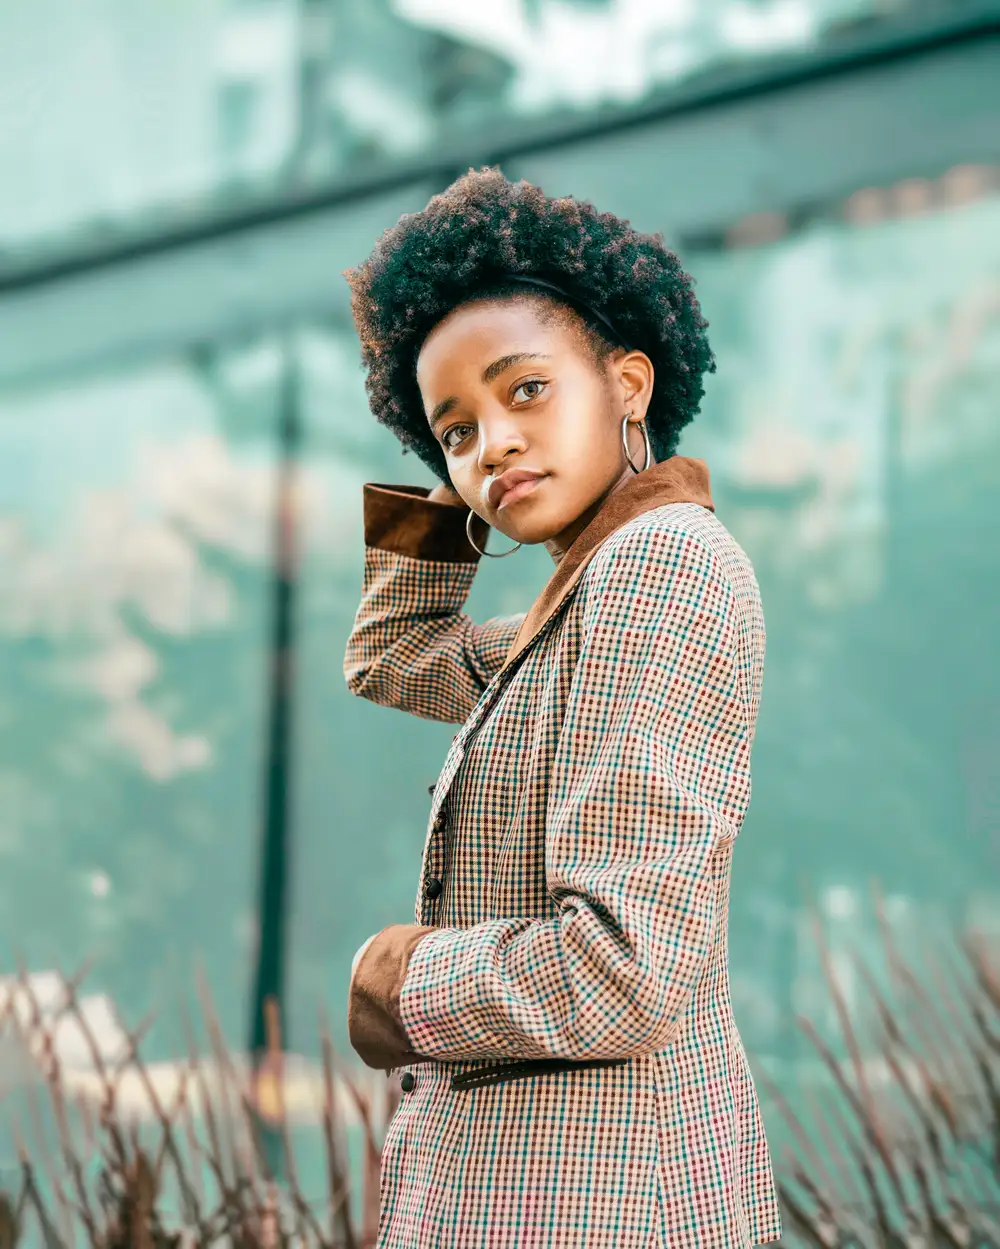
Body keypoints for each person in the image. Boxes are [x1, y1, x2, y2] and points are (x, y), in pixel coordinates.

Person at [341, 167, 781, 1249]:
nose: (490, 441)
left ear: (628, 382)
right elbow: (393, 655)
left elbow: (622, 968)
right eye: (454, 429)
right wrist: (464, 465)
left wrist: (397, 982)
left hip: (597, 1205)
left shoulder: (657, 568)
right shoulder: (574, 608)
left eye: (523, 388)